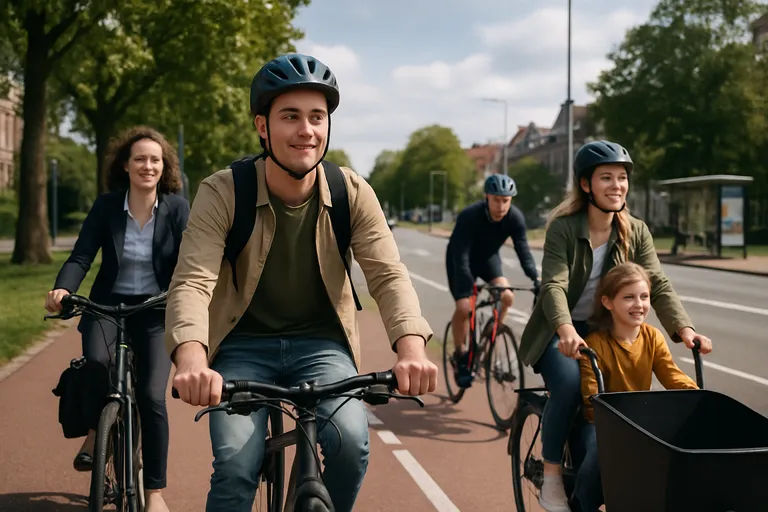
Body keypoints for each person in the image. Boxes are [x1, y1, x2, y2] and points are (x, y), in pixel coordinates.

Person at [164, 53, 438, 512]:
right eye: (290, 116)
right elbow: (193, 280)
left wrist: (411, 348)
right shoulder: (224, 191)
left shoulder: (353, 192)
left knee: (352, 445)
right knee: (235, 465)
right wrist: (192, 359)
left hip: (322, 344)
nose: (306, 130)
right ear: (262, 126)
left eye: (317, 117)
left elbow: (388, 276)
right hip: (242, 344)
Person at [517, 139, 713, 512]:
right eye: (606, 177)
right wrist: (565, 329)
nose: (616, 185)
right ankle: (554, 475)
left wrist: (684, 330)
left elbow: (658, 283)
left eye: (622, 178)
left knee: (614, 397)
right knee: (571, 384)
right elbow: (553, 285)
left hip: (603, 326)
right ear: (586, 185)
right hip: (558, 328)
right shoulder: (563, 228)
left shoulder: (635, 230)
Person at [45, 126, 190, 512]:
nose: (148, 166)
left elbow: (190, 262)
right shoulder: (107, 206)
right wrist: (63, 289)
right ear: (125, 165)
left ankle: (155, 492)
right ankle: (96, 432)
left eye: (155, 160)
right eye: (140, 159)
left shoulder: (177, 208)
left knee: (152, 397)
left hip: (155, 309)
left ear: (164, 167)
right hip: (108, 304)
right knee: (97, 363)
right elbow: (81, 256)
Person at [573, 262, 710, 511]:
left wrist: (700, 399)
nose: (639, 304)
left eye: (644, 297)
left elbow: (672, 376)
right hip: (603, 422)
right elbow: (591, 396)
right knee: (596, 455)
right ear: (607, 302)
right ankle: (582, 502)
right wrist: (613, 420)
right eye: (628, 297)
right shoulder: (596, 344)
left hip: (639, 420)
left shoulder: (652, 337)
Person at [445, 173, 540, 387]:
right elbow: (460, 256)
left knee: (507, 296)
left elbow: (523, 249)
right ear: (487, 197)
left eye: (505, 200)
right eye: (496, 200)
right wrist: (466, 287)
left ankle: (491, 338)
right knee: (464, 308)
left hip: (488, 259)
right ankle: (460, 355)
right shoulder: (469, 216)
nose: (501, 206)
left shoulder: (515, 218)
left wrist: (535, 277)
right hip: (461, 261)